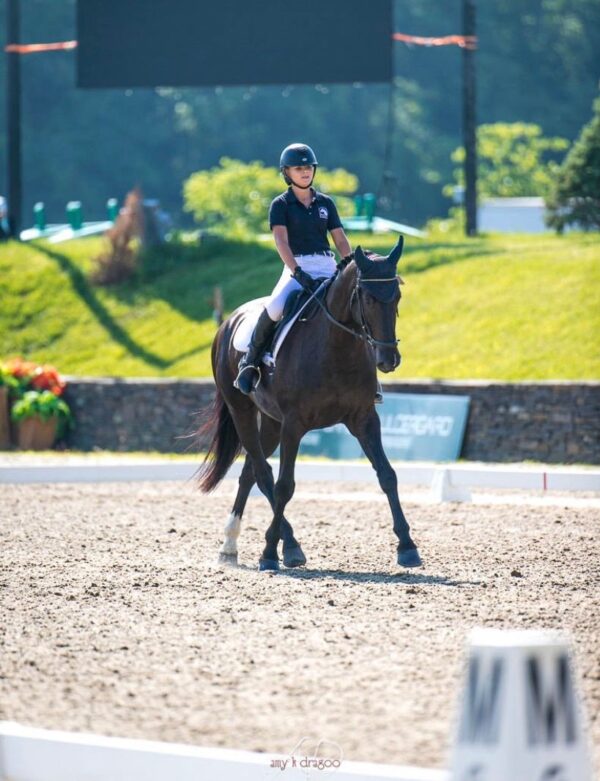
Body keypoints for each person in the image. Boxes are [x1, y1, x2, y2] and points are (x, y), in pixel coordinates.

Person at [234, 142, 354, 395]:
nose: (305, 172)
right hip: (297, 265)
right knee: (276, 306)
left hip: (327, 264)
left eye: (308, 167)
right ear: (286, 172)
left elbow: (340, 240)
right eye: (298, 168)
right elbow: (281, 241)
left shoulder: (325, 203)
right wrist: (297, 272)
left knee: (355, 306)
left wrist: (353, 267)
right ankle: (250, 363)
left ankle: (365, 375)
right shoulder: (280, 205)